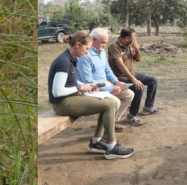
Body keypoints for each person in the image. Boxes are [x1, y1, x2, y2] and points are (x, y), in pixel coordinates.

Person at [47, 30, 135, 159]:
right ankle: (111, 147)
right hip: (63, 103)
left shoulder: (71, 58)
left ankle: (96, 142)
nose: (88, 51)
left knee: (109, 103)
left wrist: (87, 86)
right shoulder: (64, 62)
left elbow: (71, 81)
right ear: (78, 45)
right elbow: (57, 91)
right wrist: (81, 87)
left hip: (72, 96)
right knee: (109, 105)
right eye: (87, 48)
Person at [77, 28, 134, 130]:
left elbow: (107, 70)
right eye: (103, 42)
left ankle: (112, 123)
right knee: (115, 102)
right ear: (93, 39)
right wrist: (111, 89)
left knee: (129, 94)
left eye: (106, 42)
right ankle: (105, 130)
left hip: (104, 84)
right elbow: (89, 83)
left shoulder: (101, 51)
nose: (104, 45)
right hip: (91, 89)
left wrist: (116, 81)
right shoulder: (85, 55)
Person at [108, 27, 160, 122]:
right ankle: (132, 116)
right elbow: (120, 65)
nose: (135, 39)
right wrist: (134, 80)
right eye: (133, 37)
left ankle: (148, 107)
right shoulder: (114, 46)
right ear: (127, 38)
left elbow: (138, 59)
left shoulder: (130, 45)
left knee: (153, 80)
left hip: (132, 74)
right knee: (138, 87)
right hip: (120, 77)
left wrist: (137, 48)